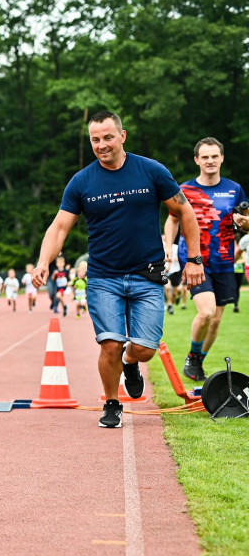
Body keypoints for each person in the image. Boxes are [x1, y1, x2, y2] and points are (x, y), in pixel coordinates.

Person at [31, 110, 203, 429]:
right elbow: (59, 228)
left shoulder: (151, 171)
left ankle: (130, 361)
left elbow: (184, 211)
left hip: (147, 275)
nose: (102, 144)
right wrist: (43, 261)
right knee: (109, 343)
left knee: (145, 349)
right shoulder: (82, 181)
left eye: (108, 137)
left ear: (122, 136)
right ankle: (112, 403)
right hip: (103, 277)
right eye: (95, 139)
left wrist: (194, 259)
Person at [161, 137, 249, 382]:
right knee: (207, 312)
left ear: (221, 158)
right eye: (205, 157)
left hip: (224, 261)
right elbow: (172, 219)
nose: (210, 161)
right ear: (197, 160)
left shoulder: (235, 189)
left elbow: (246, 220)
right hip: (195, 260)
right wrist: (168, 246)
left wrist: (245, 223)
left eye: (214, 156)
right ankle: (193, 355)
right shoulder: (185, 190)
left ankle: (197, 362)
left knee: (216, 319)